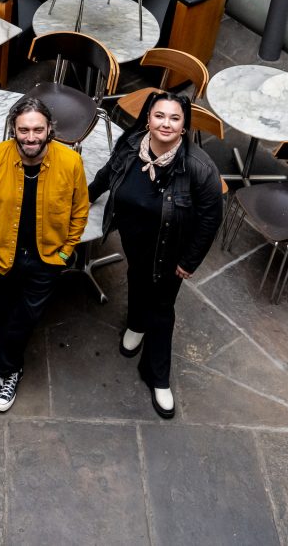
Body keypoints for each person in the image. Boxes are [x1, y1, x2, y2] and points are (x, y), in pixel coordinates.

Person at [87, 92, 223, 418]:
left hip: (171, 246)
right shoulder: (133, 144)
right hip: (135, 237)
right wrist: (84, 198)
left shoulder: (199, 168)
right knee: (136, 277)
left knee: (162, 308)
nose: (166, 123)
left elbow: (210, 219)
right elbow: (109, 174)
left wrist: (189, 260)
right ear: (148, 118)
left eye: (174, 118)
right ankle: (135, 324)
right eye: (159, 116)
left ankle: (157, 375)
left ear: (184, 125)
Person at [0, 96, 88, 417]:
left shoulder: (71, 162)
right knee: (2, 313)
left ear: (50, 129)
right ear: (13, 130)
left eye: (38, 129)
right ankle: (13, 368)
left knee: (26, 317)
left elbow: (80, 210)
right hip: (0, 254)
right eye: (23, 130)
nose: (31, 137)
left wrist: (65, 250)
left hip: (47, 259)